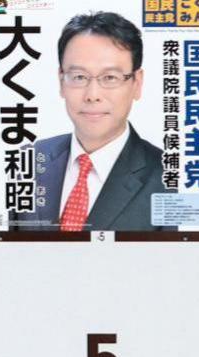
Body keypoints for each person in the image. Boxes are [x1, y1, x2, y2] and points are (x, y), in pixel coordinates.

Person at [13, 11, 165, 231]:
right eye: (79, 77)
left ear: (137, 83)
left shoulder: (170, 178)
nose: (92, 95)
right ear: (61, 81)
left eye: (110, 78)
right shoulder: (27, 161)